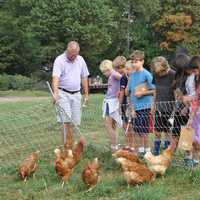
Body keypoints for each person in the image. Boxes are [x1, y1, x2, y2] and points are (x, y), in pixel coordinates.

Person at [52, 41, 89, 149]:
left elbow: (84, 77)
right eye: (71, 54)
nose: (73, 57)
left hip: (77, 94)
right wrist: (55, 93)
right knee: (66, 121)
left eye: (75, 54)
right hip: (63, 93)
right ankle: (67, 147)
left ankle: (71, 144)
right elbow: (56, 78)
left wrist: (86, 94)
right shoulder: (59, 60)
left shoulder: (80, 60)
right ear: (67, 50)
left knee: (75, 122)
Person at [128, 50, 155, 157]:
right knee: (137, 130)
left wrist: (143, 93)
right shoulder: (132, 75)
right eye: (132, 62)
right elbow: (131, 93)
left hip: (145, 107)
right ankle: (141, 150)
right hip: (135, 108)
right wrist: (131, 108)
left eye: (136, 61)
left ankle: (148, 151)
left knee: (144, 131)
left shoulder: (147, 74)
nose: (134, 64)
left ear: (142, 61)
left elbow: (154, 90)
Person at [151, 56, 176, 155]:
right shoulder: (156, 74)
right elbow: (155, 90)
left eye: (161, 72)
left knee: (168, 131)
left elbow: (175, 92)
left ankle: (166, 151)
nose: (160, 75)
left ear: (165, 68)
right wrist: (154, 104)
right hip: (159, 107)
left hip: (170, 107)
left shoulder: (173, 74)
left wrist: (175, 108)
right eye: (158, 73)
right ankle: (156, 150)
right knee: (157, 131)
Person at [100, 59, 122, 152]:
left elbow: (122, 78)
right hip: (110, 101)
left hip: (112, 102)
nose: (104, 74)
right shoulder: (111, 75)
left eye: (104, 71)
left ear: (108, 69)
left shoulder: (113, 74)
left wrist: (121, 91)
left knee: (108, 125)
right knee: (112, 125)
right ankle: (115, 144)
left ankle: (114, 145)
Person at [113, 56, 134, 148]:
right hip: (129, 104)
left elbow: (122, 93)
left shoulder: (124, 78)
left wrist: (119, 105)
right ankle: (129, 145)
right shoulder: (126, 77)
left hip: (127, 104)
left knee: (128, 126)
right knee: (127, 126)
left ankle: (131, 145)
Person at [172, 53, 190, 146]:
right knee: (175, 131)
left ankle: (188, 156)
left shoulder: (190, 76)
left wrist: (186, 107)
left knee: (187, 132)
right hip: (178, 106)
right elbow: (176, 89)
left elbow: (191, 93)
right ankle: (171, 152)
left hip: (188, 107)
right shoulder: (177, 74)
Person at [186, 56, 200, 166]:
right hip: (197, 113)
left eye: (195, 71)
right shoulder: (197, 80)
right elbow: (196, 100)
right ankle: (195, 162)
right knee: (194, 138)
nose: (194, 73)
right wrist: (191, 117)